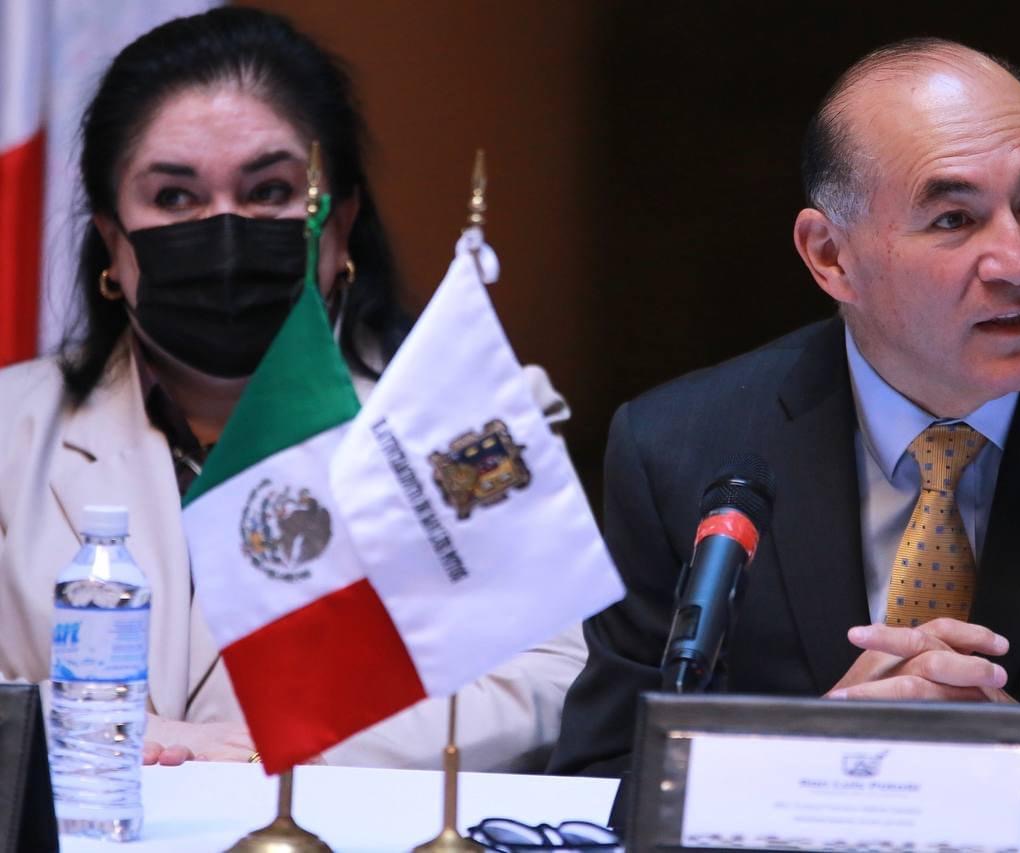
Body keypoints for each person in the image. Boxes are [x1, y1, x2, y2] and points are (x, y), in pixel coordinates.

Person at [548, 38, 1020, 806]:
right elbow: (599, 774)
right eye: (954, 219)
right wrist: (814, 755)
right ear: (830, 256)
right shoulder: (677, 449)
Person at [0, 7, 584, 772]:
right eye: (173, 197)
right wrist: (98, 729)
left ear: (340, 225)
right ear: (112, 238)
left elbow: (550, 679)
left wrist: (272, 753)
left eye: (270, 190)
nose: (225, 230)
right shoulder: (12, 428)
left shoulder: (462, 421)